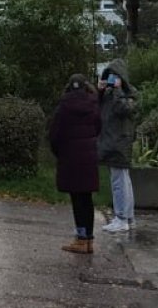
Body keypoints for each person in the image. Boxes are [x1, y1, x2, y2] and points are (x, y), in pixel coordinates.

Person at [50, 74, 102, 254]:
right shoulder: (94, 105)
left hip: (70, 157)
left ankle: (81, 239)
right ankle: (89, 239)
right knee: (87, 199)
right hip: (89, 157)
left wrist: (59, 152)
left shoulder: (63, 107)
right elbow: (98, 127)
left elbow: (55, 134)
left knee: (76, 199)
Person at [98, 59, 137, 232]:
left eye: (115, 76)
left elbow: (124, 109)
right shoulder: (108, 93)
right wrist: (100, 90)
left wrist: (118, 90)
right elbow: (97, 107)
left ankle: (121, 218)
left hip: (119, 142)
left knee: (119, 181)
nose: (112, 79)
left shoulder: (129, 94)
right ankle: (128, 217)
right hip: (111, 140)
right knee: (122, 179)